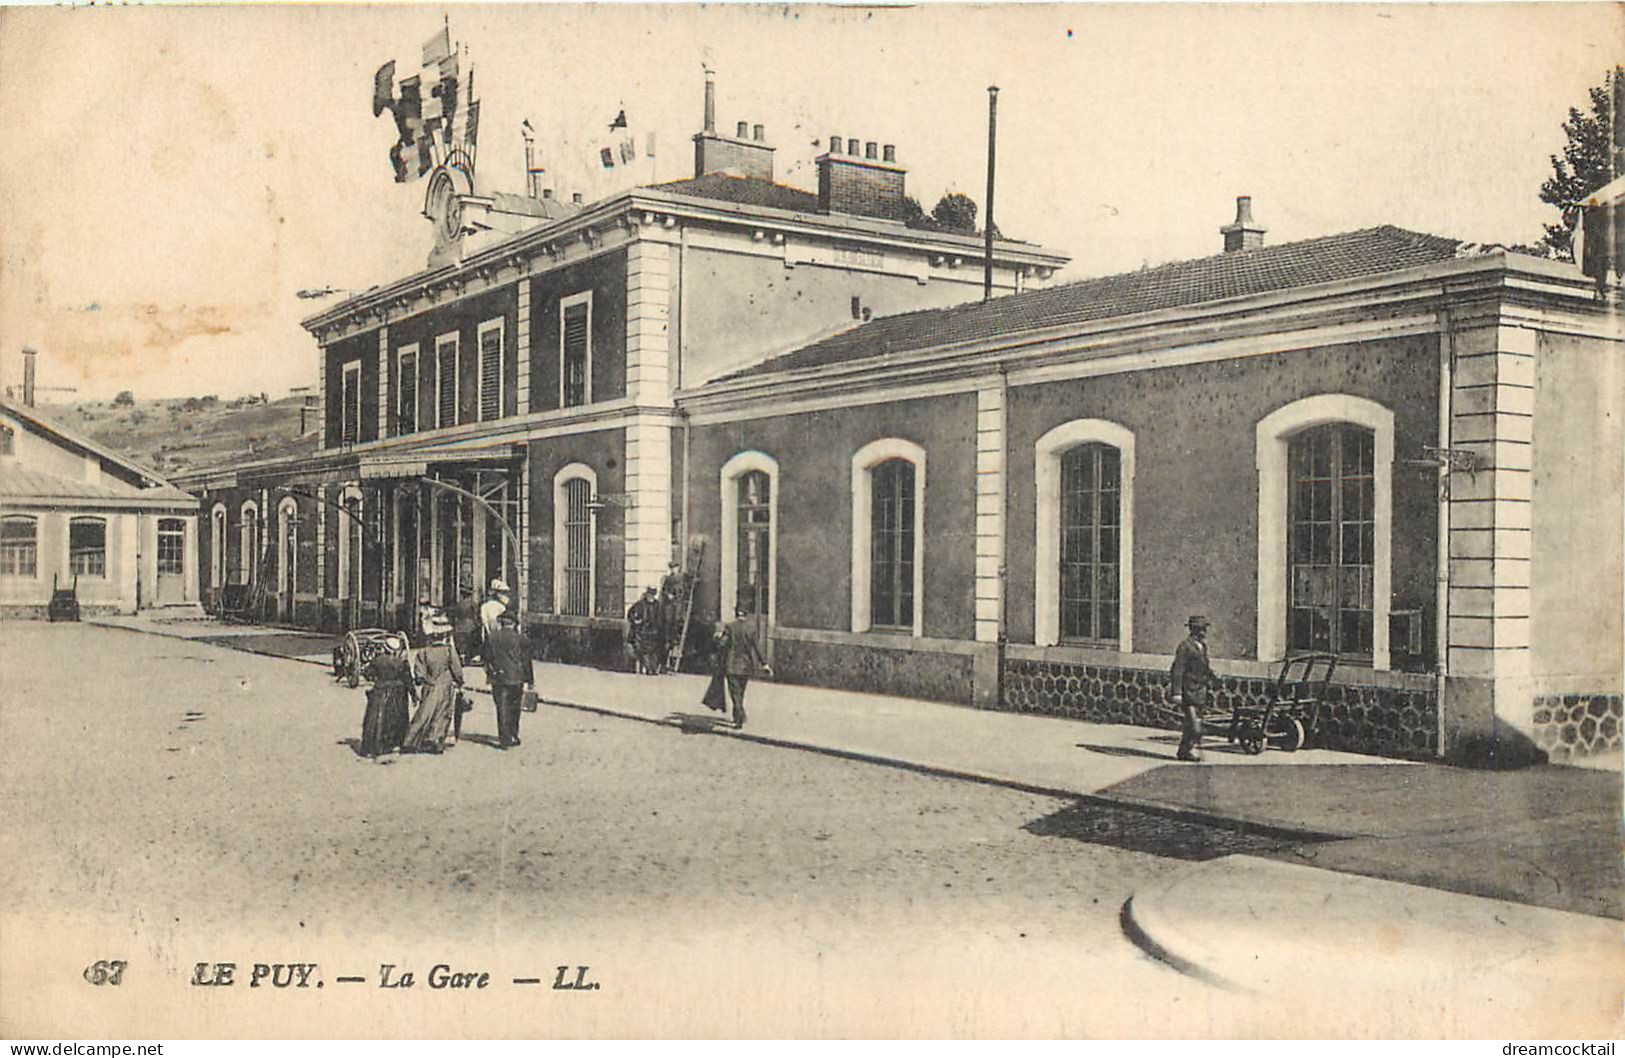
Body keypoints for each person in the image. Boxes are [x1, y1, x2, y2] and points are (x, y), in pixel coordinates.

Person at [402, 618, 465, 754]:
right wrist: (460, 682)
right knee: (442, 713)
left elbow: (419, 673)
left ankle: (410, 741)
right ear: (444, 636)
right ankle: (435, 740)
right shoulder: (449, 651)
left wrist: (422, 681)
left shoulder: (423, 652)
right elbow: (457, 670)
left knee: (424, 713)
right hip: (445, 686)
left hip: (429, 686)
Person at [702, 607, 772, 728]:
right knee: (740, 693)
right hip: (745, 666)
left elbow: (721, 644)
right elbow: (757, 647)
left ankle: (739, 719)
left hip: (731, 665)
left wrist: (717, 638)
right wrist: (764, 663)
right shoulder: (750, 629)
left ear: (736, 614)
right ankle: (738, 716)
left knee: (735, 694)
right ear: (746, 615)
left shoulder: (730, 627)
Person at [358, 634, 415, 759]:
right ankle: (394, 743)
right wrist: (414, 694)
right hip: (398, 692)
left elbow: (368, 674)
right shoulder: (402, 662)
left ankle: (374, 746)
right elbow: (408, 679)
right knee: (396, 717)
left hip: (380, 690)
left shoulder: (378, 660)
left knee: (376, 718)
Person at [484, 610, 534, 749]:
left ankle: (504, 739)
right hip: (516, 678)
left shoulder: (492, 637)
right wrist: (530, 680)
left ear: (502, 623)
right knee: (515, 707)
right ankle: (513, 734)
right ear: (514, 624)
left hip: (498, 677)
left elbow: (486, 658)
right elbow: (526, 661)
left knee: (501, 707)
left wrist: (490, 672)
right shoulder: (521, 639)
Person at [1169, 614, 1214, 762]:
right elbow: (1177, 670)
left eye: (1204, 629)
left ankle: (1184, 751)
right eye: (1200, 629)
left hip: (1201, 690)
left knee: (1192, 725)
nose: (1203, 632)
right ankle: (1185, 750)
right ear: (1193, 630)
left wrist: (1213, 677)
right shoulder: (1185, 646)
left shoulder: (1203, 646)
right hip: (1188, 691)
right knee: (1195, 727)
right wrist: (1176, 693)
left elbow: (1204, 666)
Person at [626, 586, 663, 675]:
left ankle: (652, 669)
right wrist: (635, 621)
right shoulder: (640, 604)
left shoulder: (657, 605)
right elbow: (630, 613)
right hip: (642, 632)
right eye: (650, 594)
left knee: (653, 651)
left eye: (653, 594)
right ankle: (647, 669)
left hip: (654, 633)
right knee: (642, 650)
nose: (651, 597)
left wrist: (658, 627)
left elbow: (660, 619)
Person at [658, 562, 686, 671]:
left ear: (678, 568)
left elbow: (683, 591)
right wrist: (668, 594)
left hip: (678, 608)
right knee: (668, 628)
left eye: (675, 568)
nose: (674, 570)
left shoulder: (681, 578)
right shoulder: (668, 579)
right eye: (672, 568)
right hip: (670, 607)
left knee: (676, 629)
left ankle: (674, 660)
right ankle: (666, 662)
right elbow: (665, 590)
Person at [480, 578, 511, 643]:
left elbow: (484, 623)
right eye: (502, 593)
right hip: (500, 637)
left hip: (489, 637)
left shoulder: (484, 607)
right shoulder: (502, 607)